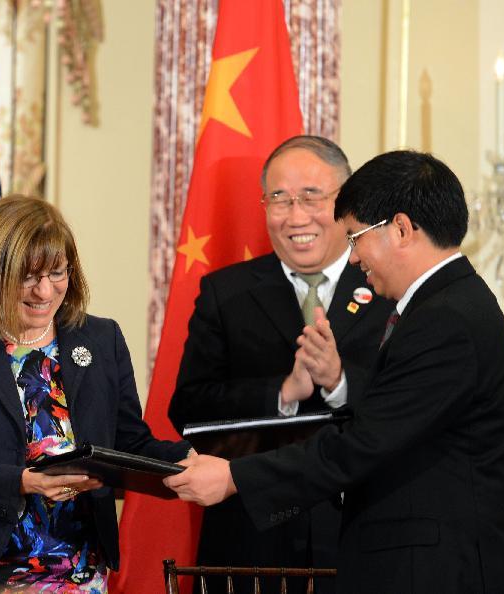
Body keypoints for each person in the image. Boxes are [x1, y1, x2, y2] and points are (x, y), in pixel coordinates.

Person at [165, 150, 504, 593]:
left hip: (438, 569)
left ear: (402, 229)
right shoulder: (449, 304)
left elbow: (365, 443)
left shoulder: (443, 319)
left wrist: (235, 477)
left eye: (355, 237)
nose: (353, 258)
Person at [0, 195, 191, 591]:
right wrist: (24, 481)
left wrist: (185, 459)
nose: (45, 291)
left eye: (57, 273)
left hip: (78, 570)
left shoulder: (101, 338)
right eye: (28, 276)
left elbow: (129, 442)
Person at [167, 136, 393, 592]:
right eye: (279, 199)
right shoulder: (224, 293)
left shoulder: (388, 284)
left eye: (311, 197)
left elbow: (413, 401)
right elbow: (187, 409)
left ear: (344, 202)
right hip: (251, 538)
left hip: (363, 529)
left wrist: (339, 382)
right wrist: (282, 393)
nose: (296, 216)